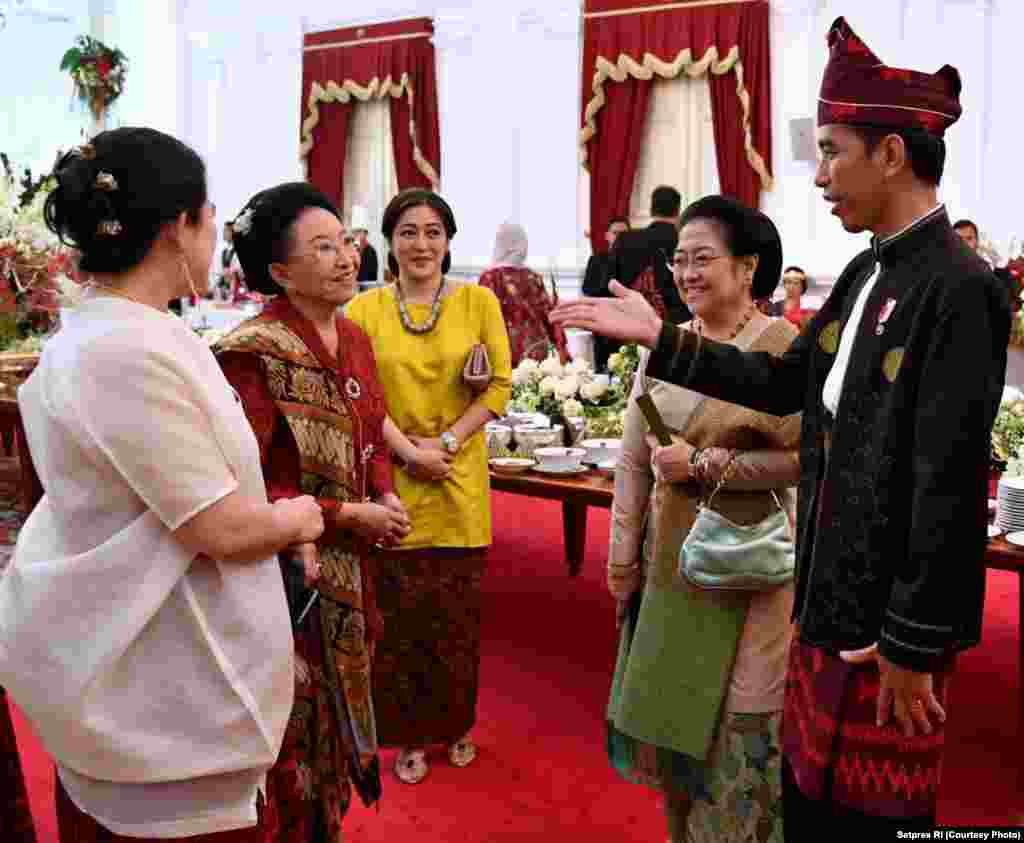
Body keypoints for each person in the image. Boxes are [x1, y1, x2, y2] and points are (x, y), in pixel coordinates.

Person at [552, 17, 1009, 835]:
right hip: (826, 606)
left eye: (833, 151)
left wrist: (914, 643)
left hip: (885, 634)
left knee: (874, 818)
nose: (822, 174)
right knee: (808, 810)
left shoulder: (959, 285)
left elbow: (945, 479)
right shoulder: (871, 268)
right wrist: (664, 338)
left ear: (892, 155)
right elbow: (779, 380)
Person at [0, 127, 326, 840]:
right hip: (160, 683)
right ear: (178, 227)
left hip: (145, 657)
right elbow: (216, 528)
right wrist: (301, 516)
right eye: (210, 216)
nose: (216, 233)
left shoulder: (125, 332)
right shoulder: (126, 348)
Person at [215, 182, 412, 839]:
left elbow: (372, 430)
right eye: (323, 247)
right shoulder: (253, 353)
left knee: (338, 713)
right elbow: (243, 485)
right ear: (278, 271)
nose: (346, 257)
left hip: (351, 572)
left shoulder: (354, 339)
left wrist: (383, 491)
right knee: (292, 731)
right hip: (287, 576)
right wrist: (346, 515)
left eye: (347, 242)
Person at [606, 196, 800, 842]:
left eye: (703, 257)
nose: (686, 271)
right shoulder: (665, 344)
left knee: (742, 728)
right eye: (679, 258)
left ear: (748, 268)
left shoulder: (781, 349)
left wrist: (706, 463)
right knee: (677, 730)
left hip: (753, 571)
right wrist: (622, 562)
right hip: (672, 569)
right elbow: (633, 461)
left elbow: (809, 459)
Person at [345, 188, 512, 785]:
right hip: (393, 481)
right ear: (389, 241)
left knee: (455, 618)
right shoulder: (363, 312)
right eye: (409, 231)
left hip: (458, 478)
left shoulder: (478, 302)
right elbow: (357, 392)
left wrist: (443, 447)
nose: (422, 243)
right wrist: (407, 450)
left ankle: (456, 724)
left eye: (433, 231)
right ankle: (411, 734)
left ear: (448, 240)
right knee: (401, 620)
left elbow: (497, 387)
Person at [477, 221, 568, 365]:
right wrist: (561, 346)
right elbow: (549, 316)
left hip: (502, 353)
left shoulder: (490, 278)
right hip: (537, 351)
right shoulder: (533, 277)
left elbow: (480, 320)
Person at [609, 185, 690, 325]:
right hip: (676, 327)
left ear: (651, 209)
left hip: (632, 323)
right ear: (678, 210)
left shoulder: (625, 240)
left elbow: (611, 283)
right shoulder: (687, 240)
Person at [583, 216, 631, 371]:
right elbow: (587, 289)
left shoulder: (635, 262)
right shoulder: (596, 260)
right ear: (607, 235)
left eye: (623, 234)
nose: (619, 237)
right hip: (603, 322)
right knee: (602, 370)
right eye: (615, 233)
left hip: (628, 323)